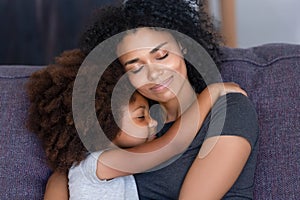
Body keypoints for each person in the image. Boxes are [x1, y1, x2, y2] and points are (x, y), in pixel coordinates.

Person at [30, 0, 259, 199]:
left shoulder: (229, 109)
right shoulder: (132, 121)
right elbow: (67, 171)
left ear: (183, 45)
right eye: (136, 67)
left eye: (161, 55)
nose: (154, 73)